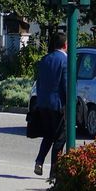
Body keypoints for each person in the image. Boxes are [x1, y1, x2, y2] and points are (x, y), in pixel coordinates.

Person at [32, 32, 69, 178]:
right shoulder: (65, 61)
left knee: (48, 134)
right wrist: (70, 103)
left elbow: (39, 82)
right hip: (58, 104)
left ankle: (39, 161)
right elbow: (66, 85)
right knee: (60, 137)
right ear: (65, 45)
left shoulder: (45, 59)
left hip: (43, 103)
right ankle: (54, 171)